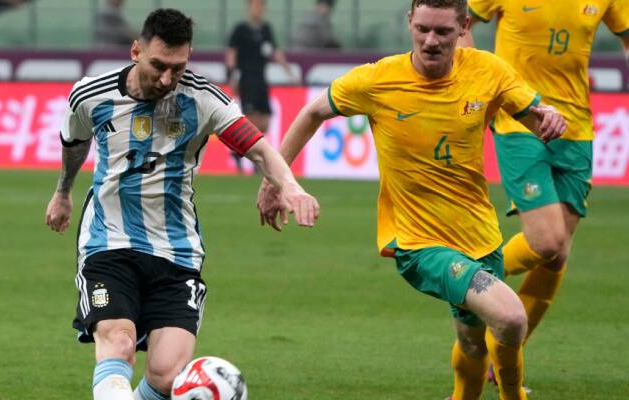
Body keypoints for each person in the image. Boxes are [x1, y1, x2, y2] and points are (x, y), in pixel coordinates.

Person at [257, 1, 568, 399]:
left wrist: (548, 119)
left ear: (464, 27)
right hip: (418, 244)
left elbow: (534, 116)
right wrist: (275, 180)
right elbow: (313, 112)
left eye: (443, 32)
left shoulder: (487, 70)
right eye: (422, 29)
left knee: (474, 345)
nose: (431, 41)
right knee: (510, 317)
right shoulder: (378, 79)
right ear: (409, 23)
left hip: (480, 236)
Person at [45, 8, 319, 400]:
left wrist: (290, 187)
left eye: (178, 67)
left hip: (176, 251)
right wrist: (62, 192)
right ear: (135, 50)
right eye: (158, 65)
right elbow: (75, 143)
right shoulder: (90, 94)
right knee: (119, 343)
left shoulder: (203, 98)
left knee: (165, 374)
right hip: (109, 241)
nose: (167, 78)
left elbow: (257, 148)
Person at [460, 0, 629, 372]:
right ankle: (467, 278)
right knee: (547, 241)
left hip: (577, 128)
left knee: (557, 255)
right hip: (520, 120)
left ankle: (502, 349)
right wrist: (473, 75)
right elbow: (461, 20)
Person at [225, 0, 297, 173]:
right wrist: (233, 75)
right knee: (251, 120)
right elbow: (231, 54)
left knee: (264, 122)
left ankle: (238, 151)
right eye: (255, 5)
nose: (258, 9)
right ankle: (255, 159)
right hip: (247, 79)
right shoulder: (240, 29)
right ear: (249, 7)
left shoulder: (266, 29)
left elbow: (276, 52)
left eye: (261, 6)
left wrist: (289, 72)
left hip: (261, 80)